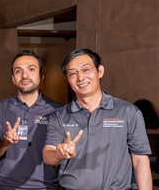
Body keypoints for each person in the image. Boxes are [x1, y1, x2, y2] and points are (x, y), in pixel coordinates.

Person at [43, 49, 152, 190]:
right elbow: (48, 154)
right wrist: (59, 153)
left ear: (100, 71)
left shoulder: (128, 111)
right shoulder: (59, 115)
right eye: (72, 73)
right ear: (68, 80)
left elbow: (140, 161)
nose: (80, 78)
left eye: (86, 69)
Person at [0, 51, 63, 189]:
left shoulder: (58, 110)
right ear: (13, 78)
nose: (24, 75)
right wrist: (6, 143)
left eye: (31, 69)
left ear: (41, 75)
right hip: (5, 187)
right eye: (18, 71)